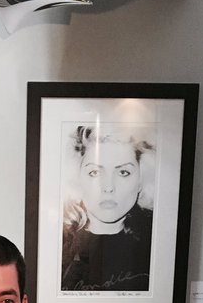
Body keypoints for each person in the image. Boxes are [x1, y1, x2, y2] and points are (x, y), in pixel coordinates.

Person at [60, 124, 154, 292]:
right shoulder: (60, 243)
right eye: (95, 172)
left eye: (123, 172)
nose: (108, 187)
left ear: (141, 179)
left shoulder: (154, 242)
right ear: (78, 178)